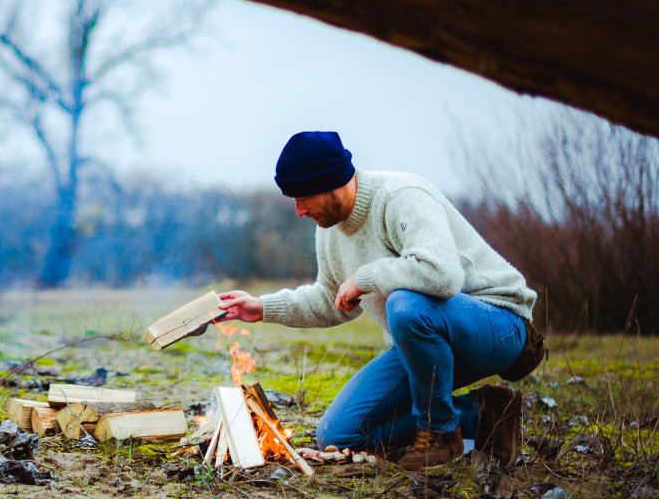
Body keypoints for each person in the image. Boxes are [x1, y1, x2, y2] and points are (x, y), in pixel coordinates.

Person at [218, 131, 537, 470]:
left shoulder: (401, 196)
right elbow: (331, 298)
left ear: (333, 182)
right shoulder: (329, 230)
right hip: (424, 345)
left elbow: (443, 275)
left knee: (405, 305)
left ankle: (440, 432)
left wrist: (364, 278)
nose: (299, 211)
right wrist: (262, 307)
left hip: (499, 324)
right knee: (338, 434)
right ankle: (483, 414)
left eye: (304, 197)